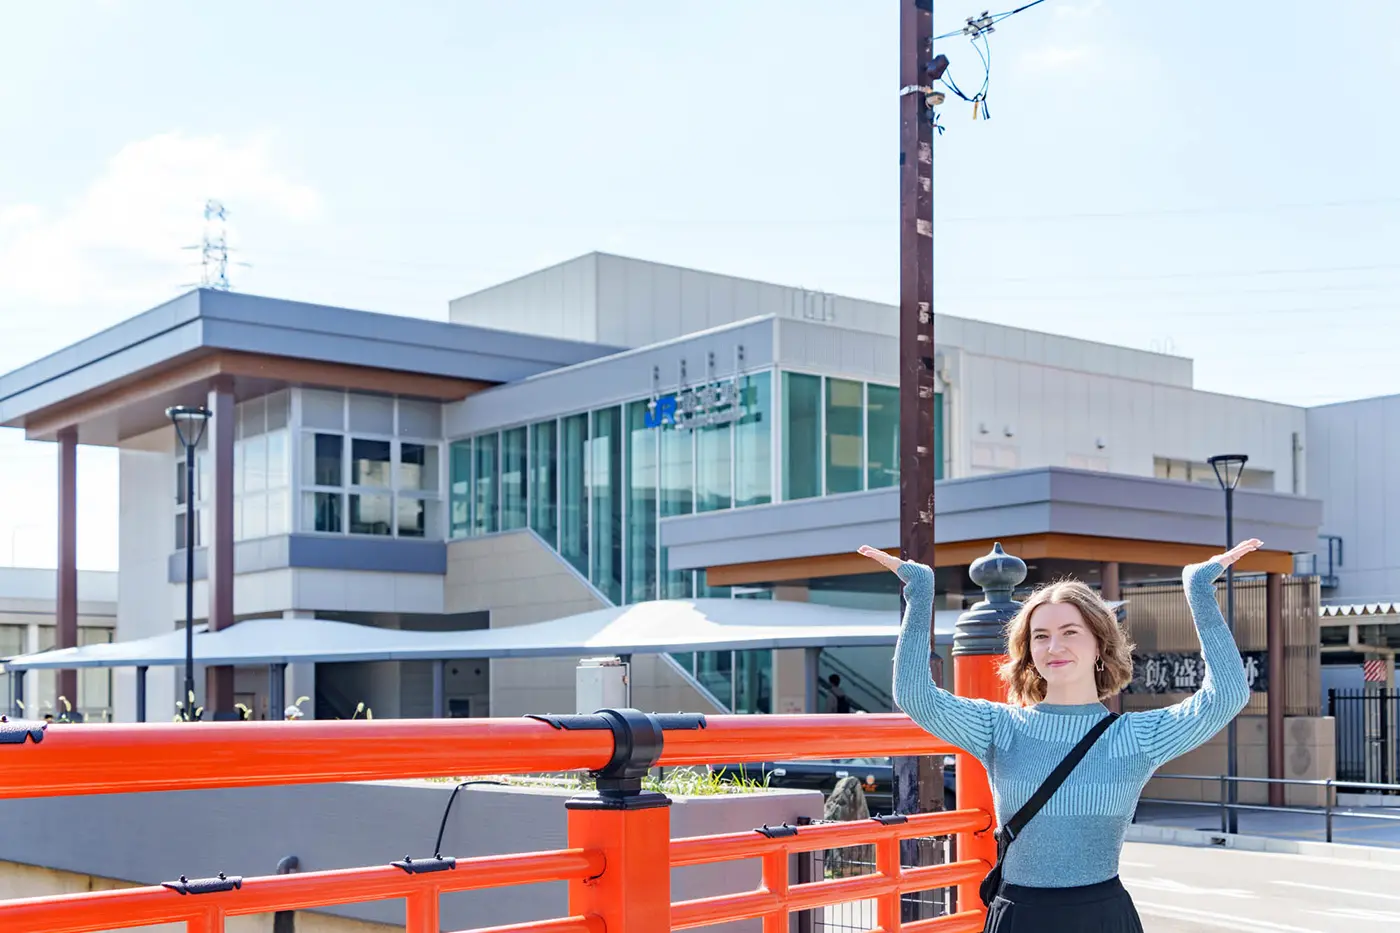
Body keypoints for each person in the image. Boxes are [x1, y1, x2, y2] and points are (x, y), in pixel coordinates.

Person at [858, 539, 1258, 933]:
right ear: (1028, 651)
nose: (1054, 647)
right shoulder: (1001, 727)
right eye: (1041, 636)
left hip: (1103, 916)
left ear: (1100, 644)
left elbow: (1227, 695)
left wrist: (1199, 590)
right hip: (1020, 915)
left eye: (1070, 632)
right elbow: (914, 694)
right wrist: (920, 590)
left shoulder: (1135, 736)